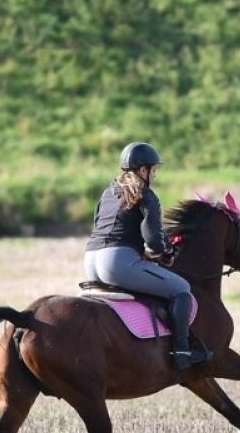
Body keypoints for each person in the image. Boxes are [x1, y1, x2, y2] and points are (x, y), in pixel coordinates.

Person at [84, 141, 211, 371]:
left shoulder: (109, 192)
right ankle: (182, 352)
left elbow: (102, 227)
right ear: (143, 170)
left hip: (91, 260)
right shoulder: (146, 194)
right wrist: (166, 252)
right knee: (181, 288)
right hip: (116, 264)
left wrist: (139, 252)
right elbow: (153, 238)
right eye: (154, 169)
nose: (156, 174)